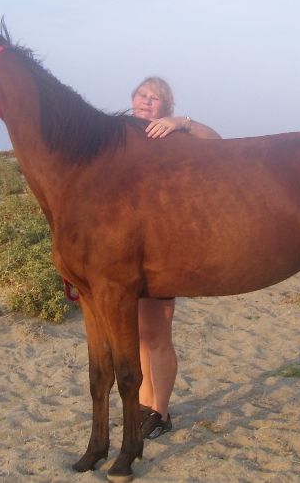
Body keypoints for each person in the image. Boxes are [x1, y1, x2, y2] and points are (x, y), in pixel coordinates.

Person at [130, 76, 221, 439]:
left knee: (157, 334)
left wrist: (181, 122)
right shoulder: (123, 131)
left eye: (154, 98)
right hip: (129, 247)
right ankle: (144, 403)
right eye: (142, 95)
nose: (146, 101)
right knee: (140, 334)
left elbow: (217, 142)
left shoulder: (172, 132)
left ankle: (161, 412)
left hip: (161, 246)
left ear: (165, 106)